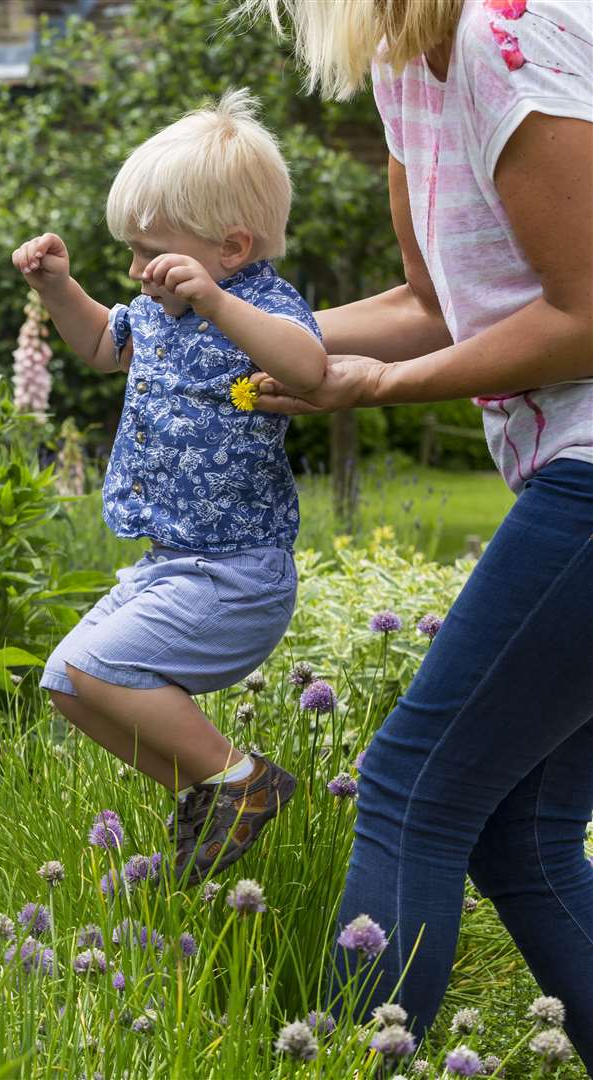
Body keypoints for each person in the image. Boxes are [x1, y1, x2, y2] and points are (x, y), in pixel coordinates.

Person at [247, 0, 593, 1054]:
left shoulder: (508, 37)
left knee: (410, 788)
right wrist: (222, 323)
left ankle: (345, 1066)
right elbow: (439, 304)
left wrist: (384, 386)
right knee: (525, 837)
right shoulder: (406, 63)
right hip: (569, 473)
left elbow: (586, 311)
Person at [10, 88, 322, 884]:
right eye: (131, 252)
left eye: (150, 252)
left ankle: (242, 781)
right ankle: (212, 790)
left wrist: (217, 303)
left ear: (230, 247)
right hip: (169, 562)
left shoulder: (260, 307)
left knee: (101, 667)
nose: (135, 271)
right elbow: (99, 347)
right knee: (67, 682)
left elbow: (310, 369)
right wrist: (57, 288)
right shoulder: (153, 312)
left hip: (236, 572)